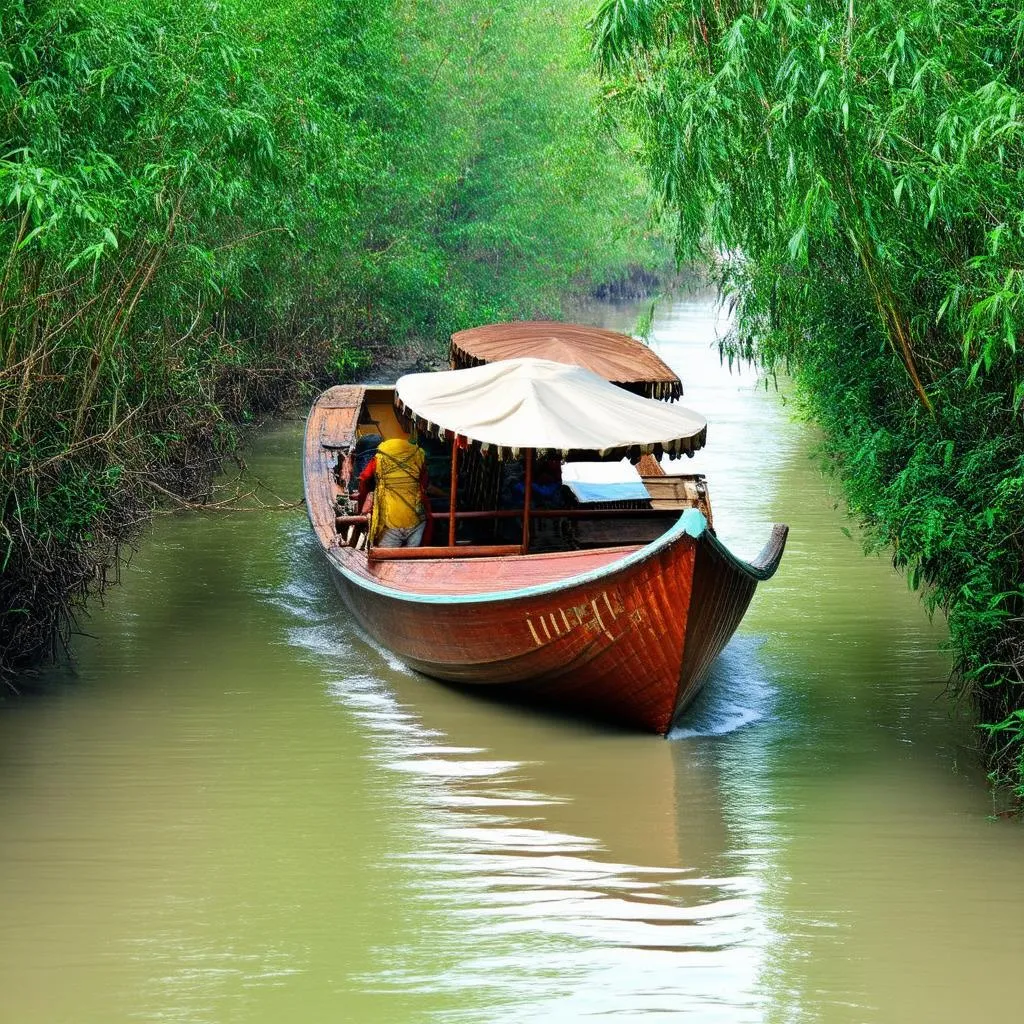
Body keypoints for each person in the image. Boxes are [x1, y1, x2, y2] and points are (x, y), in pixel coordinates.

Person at [355, 437, 432, 548]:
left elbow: (364, 480)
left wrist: (361, 507)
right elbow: (424, 484)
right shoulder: (418, 456)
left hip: (389, 523)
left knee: (387, 558)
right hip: (417, 521)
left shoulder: (379, 459)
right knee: (414, 558)